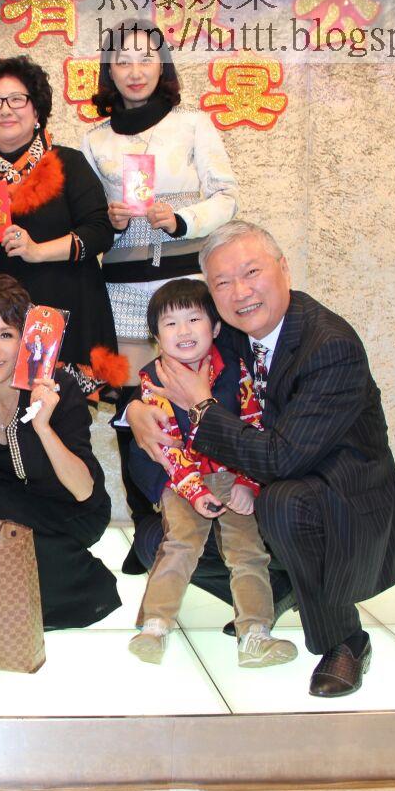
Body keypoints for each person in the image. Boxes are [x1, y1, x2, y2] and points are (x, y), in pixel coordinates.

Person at [129, 221, 395, 697]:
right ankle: (279, 589)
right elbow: (166, 372)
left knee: (283, 502)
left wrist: (201, 405)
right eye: (223, 282)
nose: (240, 292)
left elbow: (281, 458)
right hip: (258, 488)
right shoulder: (230, 333)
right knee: (155, 539)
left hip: (336, 501)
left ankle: (345, 638)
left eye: (251, 273)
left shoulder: (330, 346)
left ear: (284, 269)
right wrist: (137, 411)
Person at [81, 20, 241, 554]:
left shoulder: (192, 125)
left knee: (194, 398)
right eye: (122, 60)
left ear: (162, 65)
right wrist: (110, 220)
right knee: (131, 408)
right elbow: (89, 220)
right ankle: (145, 527)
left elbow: (227, 197)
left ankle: (206, 519)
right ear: (109, 70)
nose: (134, 70)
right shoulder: (95, 139)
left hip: (183, 286)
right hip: (121, 290)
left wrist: (181, 219)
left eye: (145, 58)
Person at [0, 275, 120, 630]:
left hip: (69, 512)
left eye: (5, 335)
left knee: (12, 548)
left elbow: (83, 490)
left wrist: (43, 427)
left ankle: (70, 577)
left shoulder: (58, 387)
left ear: (27, 339)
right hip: (13, 502)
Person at [125, 279, 297, 668]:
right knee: (179, 545)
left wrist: (248, 484)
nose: (183, 331)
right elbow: (166, 446)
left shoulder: (237, 370)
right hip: (183, 478)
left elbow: (253, 427)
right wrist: (194, 491)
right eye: (170, 324)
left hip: (235, 475)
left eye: (194, 319)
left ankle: (255, 634)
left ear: (216, 327)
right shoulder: (154, 381)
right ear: (156, 337)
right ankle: (154, 626)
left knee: (247, 552)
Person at [0, 57, 116, 369]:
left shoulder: (68, 162)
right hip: (5, 323)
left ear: (36, 110)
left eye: (16, 99)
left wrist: (37, 251)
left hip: (71, 312)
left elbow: (101, 231)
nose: (5, 110)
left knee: (68, 400)